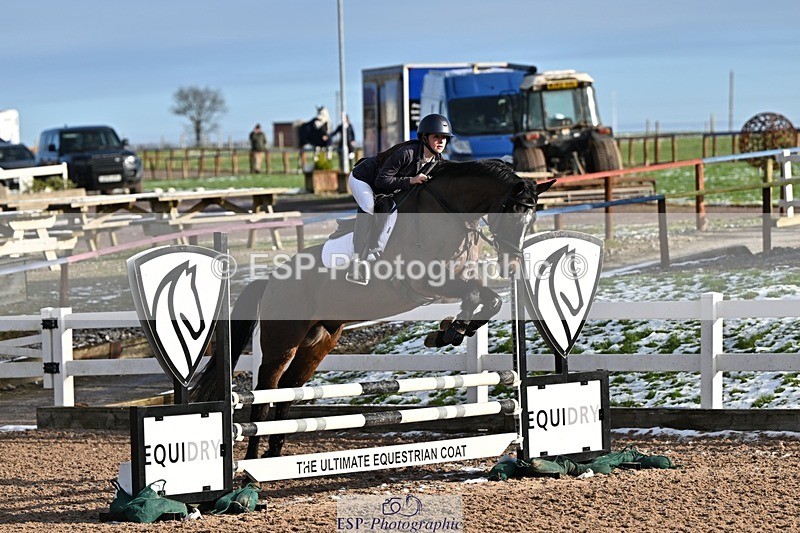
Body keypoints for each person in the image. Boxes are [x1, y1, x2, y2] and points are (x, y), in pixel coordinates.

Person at [346, 113, 452, 282]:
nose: (441, 141)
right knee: (368, 205)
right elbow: (381, 181)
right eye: (436, 137)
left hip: (385, 186)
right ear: (425, 138)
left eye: (444, 138)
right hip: (364, 178)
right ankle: (356, 263)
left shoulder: (436, 160)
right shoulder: (407, 153)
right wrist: (411, 180)